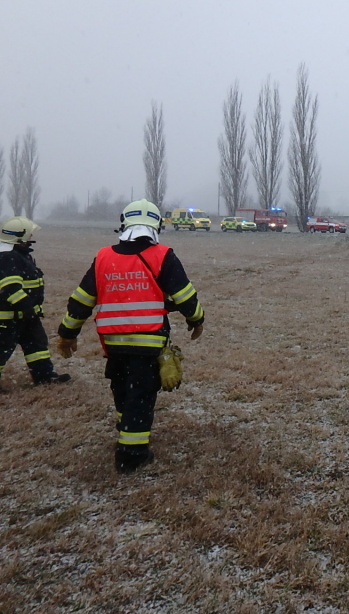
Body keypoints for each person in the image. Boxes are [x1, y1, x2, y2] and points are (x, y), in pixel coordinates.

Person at [56, 200, 205, 473]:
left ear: (123, 224)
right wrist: (197, 319)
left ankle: (125, 429)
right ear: (156, 226)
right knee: (141, 397)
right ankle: (132, 455)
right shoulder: (163, 255)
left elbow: (81, 301)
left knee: (123, 390)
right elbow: (185, 296)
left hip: (114, 345)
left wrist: (67, 333)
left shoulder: (103, 257)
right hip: (148, 344)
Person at [0, 217, 71, 389]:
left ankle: (44, 376)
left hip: (25, 315)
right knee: (2, 348)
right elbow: (10, 288)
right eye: (29, 234)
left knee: (37, 345)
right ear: (20, 237)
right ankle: (43, 375)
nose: (31, 237)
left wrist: (29, 312)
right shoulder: (8, 257)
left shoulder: (18, 255)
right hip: (9, 318)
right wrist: (26, 308)